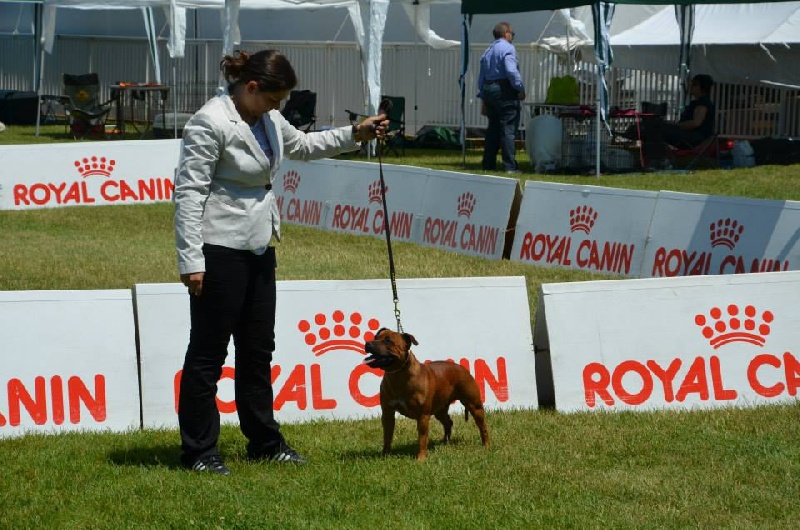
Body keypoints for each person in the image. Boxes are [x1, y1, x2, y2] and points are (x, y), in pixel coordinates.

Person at [173, 49, 388, 475]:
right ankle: (199, 451)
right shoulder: (209, 122)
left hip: (259, 246)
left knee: (257, 350)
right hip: (218, 249)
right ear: (251, 87)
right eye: (273, 99)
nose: (278, 107)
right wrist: (191, 259)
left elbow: (304, 145)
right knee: (208, 354)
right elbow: (189, 193)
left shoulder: (267, 118)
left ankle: (265, 443)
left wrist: (356, 133)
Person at [629, 74, 716, 169]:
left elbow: (696, 123)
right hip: (689, 135)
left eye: (693, 84)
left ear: (701, 87)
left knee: (658, 129)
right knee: (656, 128)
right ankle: (651, 159)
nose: (690, 87)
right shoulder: (698, 102)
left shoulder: (703, 102)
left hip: (694, 137)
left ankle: (656, 160)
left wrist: (676, 126)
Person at [477, 22, 526, 174]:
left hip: (489, 90)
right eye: (512, 33)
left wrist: (483, 98)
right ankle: (509, 166)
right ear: (506, 33)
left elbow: (481, 78)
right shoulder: (508, 48)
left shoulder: (488, 51)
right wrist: (520, 88)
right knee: (508, 128)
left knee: (493, 129)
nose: (513, 36)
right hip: (504, 90)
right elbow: (511, 71)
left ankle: (488, 164)